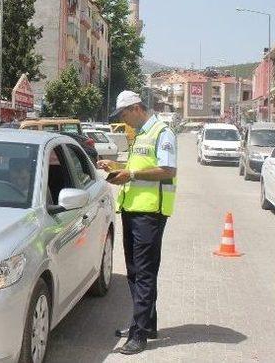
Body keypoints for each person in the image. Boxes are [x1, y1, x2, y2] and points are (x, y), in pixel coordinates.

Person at [96, 91, 177, 355]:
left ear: (135, 108)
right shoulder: (140, 133)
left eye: (123, 115)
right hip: (132, 209)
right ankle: (145, 323)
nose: (123, 120)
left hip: (150, 213)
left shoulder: (162, 132)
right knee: (134, 271)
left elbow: (167, 170)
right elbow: (137, 167)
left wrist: (129, 173)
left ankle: (139, 334)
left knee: (144, 273)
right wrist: (116, 166)